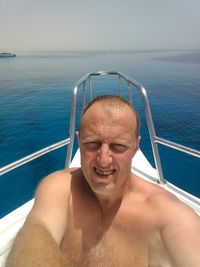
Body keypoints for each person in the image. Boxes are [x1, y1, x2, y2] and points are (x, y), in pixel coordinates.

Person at [6, 95, 200, 267]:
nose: (104, 159)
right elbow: (39, 228)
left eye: (118, 146)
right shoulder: (60, 186)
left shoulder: (171, 217)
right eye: (92, 144)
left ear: (135, 147)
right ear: (79, 141)